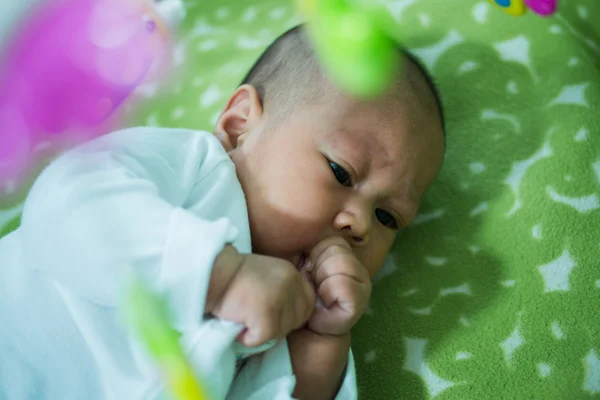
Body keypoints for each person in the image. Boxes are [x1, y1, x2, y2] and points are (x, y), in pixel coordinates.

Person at [0, 25, 445, 399]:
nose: (360, 224)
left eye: (389, 217)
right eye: (340, 172)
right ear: (239, 127)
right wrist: (218, 276)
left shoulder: (297, 316)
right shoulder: (195, 168)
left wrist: (319, 350)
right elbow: (67, 203)